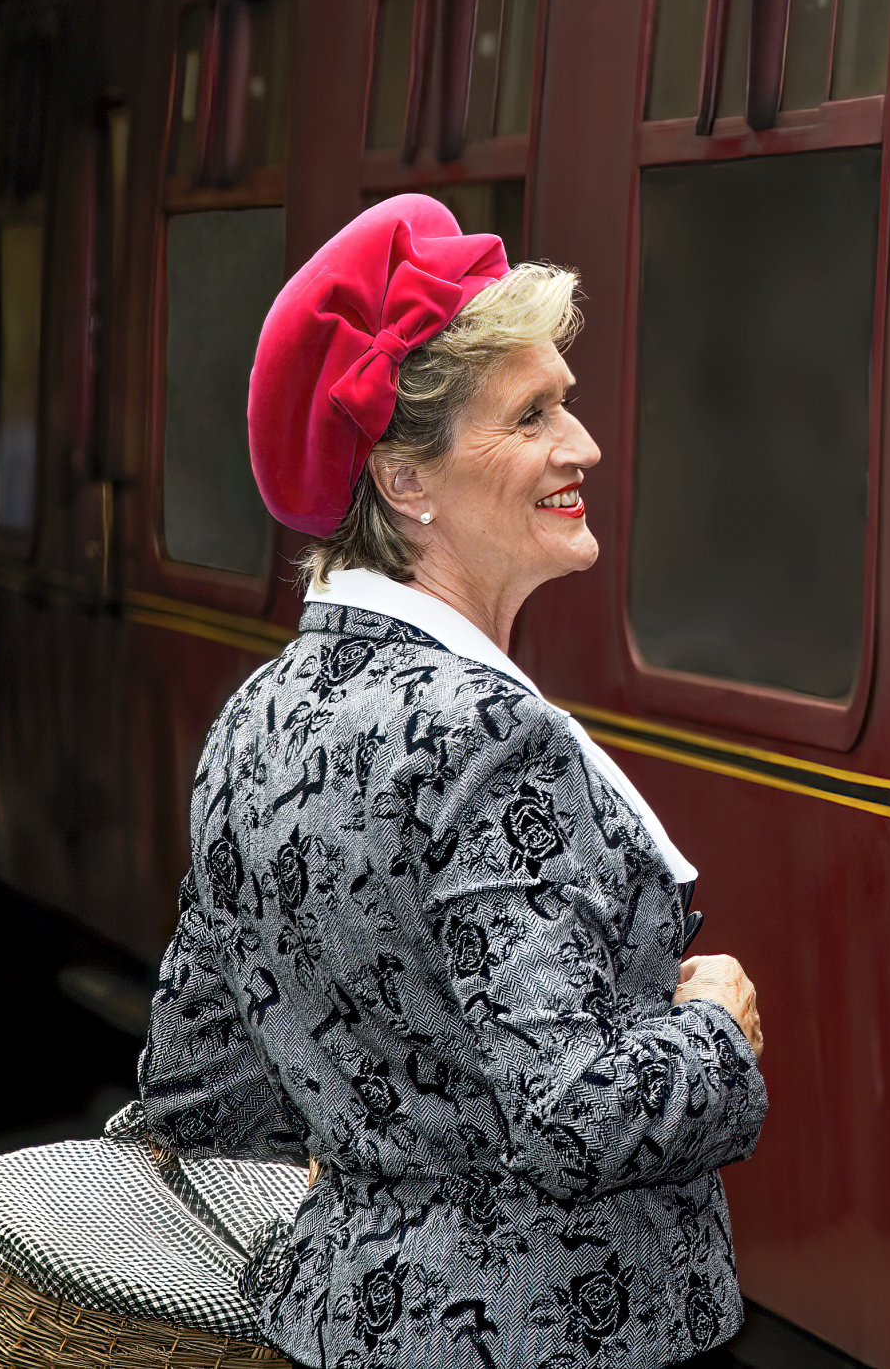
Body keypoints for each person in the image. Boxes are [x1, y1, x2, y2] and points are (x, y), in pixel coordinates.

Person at [132, 194, 768, 1367]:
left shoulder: (254, 720)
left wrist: (378, 1145)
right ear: (404, 479)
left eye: (565, 401)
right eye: (532, 414)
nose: (581, 444)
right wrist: (712, 1029)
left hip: (335, 1331)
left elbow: (201, 1090)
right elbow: (578, 1119)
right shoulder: (491, 736)